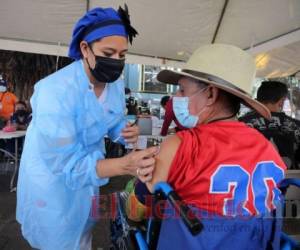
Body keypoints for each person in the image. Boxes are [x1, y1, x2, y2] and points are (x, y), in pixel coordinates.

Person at [16, 6, 158, 250]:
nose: (116, 62)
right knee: (58, 238)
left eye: (122, 55)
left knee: (82, 232)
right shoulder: (55, 92)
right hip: (52, 185)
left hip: (88, 180)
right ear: (85, 49)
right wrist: (125, 165)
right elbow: (66, 166)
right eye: (108, 52)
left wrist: (127, 131)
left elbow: (111, 122)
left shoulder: (114, 84)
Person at [126, 44, 286, 249]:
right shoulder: (268, 149)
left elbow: (138, 208)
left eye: (183, 90)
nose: (176, 97)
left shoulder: (180, 144)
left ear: (210, 94)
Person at [240, 81, 300, 169]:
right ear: (281, 102)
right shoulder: (295, 125)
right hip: (289, 180)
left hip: (252, 179)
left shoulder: (240, 124)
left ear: (258, 99)